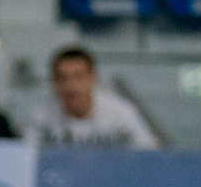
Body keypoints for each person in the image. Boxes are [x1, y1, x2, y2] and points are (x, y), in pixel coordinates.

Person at [26, 46, 158, 148]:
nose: (70, 86)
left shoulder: (120, 112)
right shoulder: (41, 117)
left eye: (78, 77)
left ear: (92, 78)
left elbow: (147, 151)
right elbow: (27, 158)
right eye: (62, 78)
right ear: (53, 82)